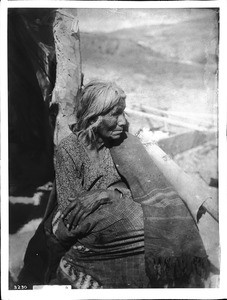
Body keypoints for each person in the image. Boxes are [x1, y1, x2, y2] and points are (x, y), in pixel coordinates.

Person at [18, 80, 211, 289]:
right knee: (140, 231)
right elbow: (71, 209)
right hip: (83, 218)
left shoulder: (124, 145)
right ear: (94, 116)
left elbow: (140, 189)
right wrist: (107, 203)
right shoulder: (69, 150)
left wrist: (108, 194)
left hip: (119, 206)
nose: (122, 121)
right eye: (115, 114)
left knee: (156, 227)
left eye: (124, 113)